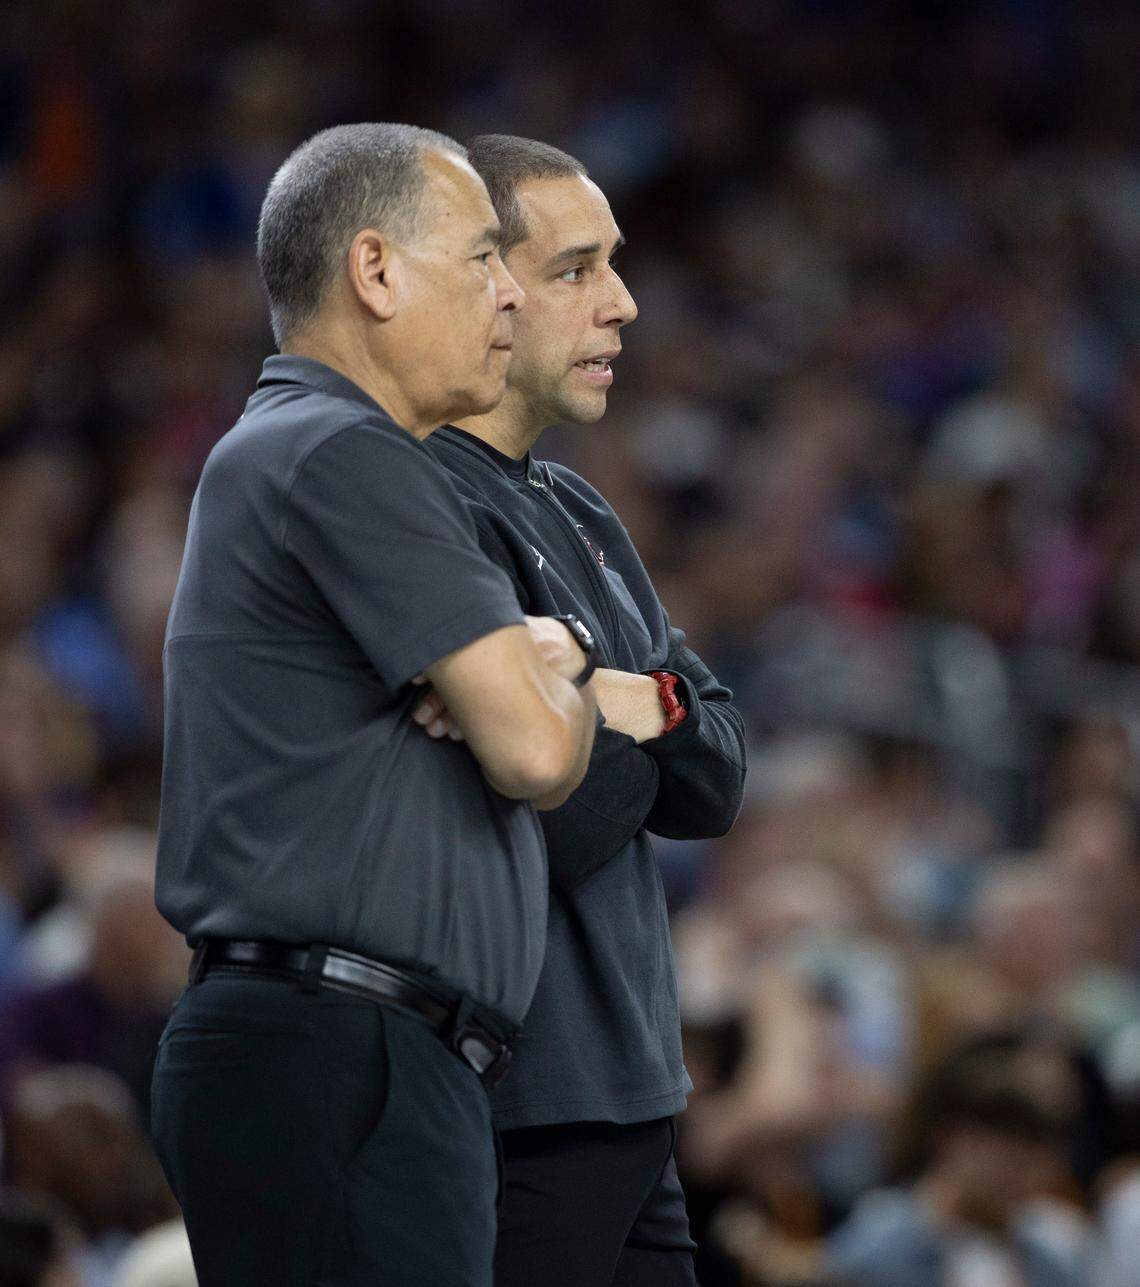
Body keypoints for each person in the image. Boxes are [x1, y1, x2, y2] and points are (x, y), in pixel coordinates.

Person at [150, 123, 599, 1287]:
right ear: (376, 271)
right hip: (340, 1049)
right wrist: (562, 670)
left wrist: (544, 654)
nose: (512, 291)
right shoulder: (345, 448)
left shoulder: (304, 447)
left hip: (343, 1053)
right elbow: (538, 750)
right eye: (483, 256)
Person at [422, 135, 746, 1287]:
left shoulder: (579, 508)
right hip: (518, 1099)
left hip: (634, 1091)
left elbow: (718, 774)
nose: (624, 303)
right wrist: (644, 724)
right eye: (577, 269)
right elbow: (552, 816)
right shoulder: (418, 506)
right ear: (483, 286)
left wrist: (617, 698)